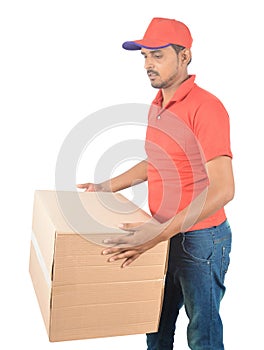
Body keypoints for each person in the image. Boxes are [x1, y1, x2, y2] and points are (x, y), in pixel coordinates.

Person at [77, 17, 234, 350]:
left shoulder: (207, 107)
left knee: (202, 337)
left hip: (200, 240)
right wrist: (105, 187)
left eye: (158, 55)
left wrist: (157, 233)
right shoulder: (158, 105)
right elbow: (157, 163)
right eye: (145, 56)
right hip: (164, 233)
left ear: (184, 56)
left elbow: (224, 189)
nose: (148, 64)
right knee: (155, 328)